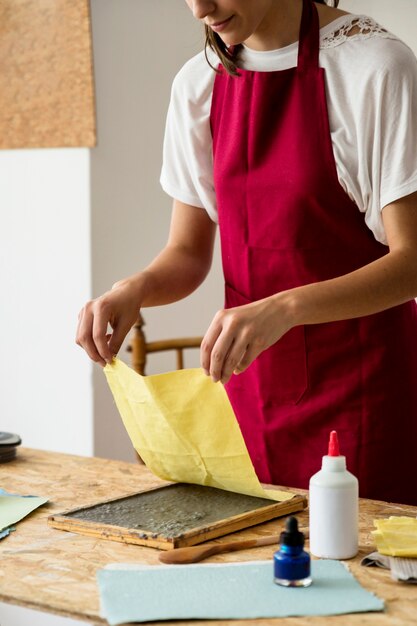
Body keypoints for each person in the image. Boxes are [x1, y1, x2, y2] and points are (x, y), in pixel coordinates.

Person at [77, 0, 417, 505]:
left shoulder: (374, 68)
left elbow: (410, 262)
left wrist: (285, 307)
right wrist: (137, 287)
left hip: (363, 399)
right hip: (248, 401)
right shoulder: (198, 84)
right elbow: (188, 253)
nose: (199, 9)